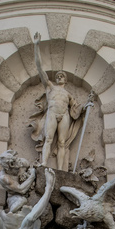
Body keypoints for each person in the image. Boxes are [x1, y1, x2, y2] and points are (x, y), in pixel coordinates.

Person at [29, 32, 92, 171]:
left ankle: (59, 170)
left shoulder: (68, 94)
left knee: (62, 143)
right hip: (52, 113)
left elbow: (76, 109)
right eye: (58, 76)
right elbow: (40, 68)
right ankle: (44, 164)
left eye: (62, 76)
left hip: (64, 115)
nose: (60, 77)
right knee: (49, 139)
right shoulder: (50, 87)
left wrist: (86, 106)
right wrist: (36, 45)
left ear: (66, 80)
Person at [0, 149, 36, 213]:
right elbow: (21, 190)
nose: (19, 160)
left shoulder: (22, 162)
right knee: (21, 201)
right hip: (14, 197)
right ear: (11, 165)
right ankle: (9, 216)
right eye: (17, 168)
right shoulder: (4, 178)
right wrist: (32, 176)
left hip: (30, 191)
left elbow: (30, 168)